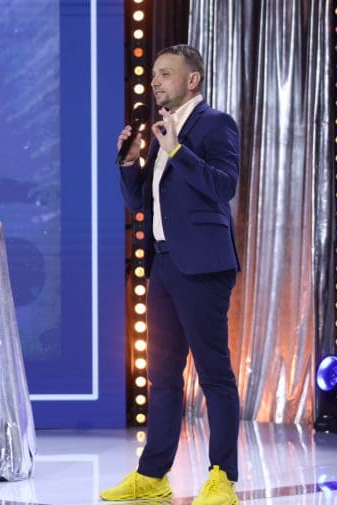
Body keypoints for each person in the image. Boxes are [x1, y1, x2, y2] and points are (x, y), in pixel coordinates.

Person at [101, 45, 241, 505]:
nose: (155, 82)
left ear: (192, 80)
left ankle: (222, 477)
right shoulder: (162, 130)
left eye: (165, 74)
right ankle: (153, 476)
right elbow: (139, 203)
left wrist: (176, 150)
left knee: (214, 374)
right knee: (161, 376)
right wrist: (130, 161)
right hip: (163, 265)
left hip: (204, 267)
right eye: (154, 75)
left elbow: (224, 186)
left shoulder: (215, 124)